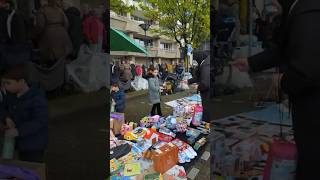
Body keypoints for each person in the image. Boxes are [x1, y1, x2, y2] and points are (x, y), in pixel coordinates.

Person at [231, 0, 320, 179]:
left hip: (313, 105)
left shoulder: (309, 8)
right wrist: (250, 63)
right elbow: (283, 50)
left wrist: (283, 80)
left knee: (312, 156)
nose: (271, 2)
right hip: (308, 102)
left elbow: (308, 69)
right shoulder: (299, 9)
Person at [0, 65, 48, 162]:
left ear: (21, 81)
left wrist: (18, 131)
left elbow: (39, 122)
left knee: (31, 167)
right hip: (17, 141)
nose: (4, 86)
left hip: (33, 144)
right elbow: (2, 108)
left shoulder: (37, 100)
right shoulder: (10, 94)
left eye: (8, 83)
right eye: (3, 83)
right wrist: (7, 118)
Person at [36, 0, 73, 66]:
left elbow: (40, 26)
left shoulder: (42, 10)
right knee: (62, 63)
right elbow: (67, 24)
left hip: (49, 39)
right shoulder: (59, 10)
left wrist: (36, 35)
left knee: (51, 64)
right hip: (63, 38)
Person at [187, 51, 210, 122]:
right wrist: (188, 81)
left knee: (207, 109)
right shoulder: (205, 63)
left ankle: (206, 124)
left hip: (208, 94)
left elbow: (205, 83)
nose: (195, 62)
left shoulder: (206, 65)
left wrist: (198, 87)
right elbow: (198, 77)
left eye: (195, 60)